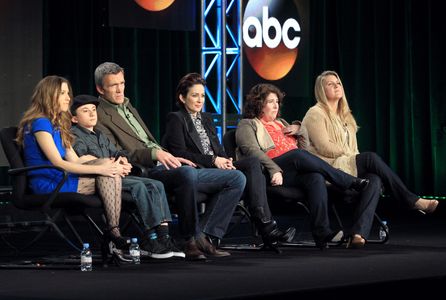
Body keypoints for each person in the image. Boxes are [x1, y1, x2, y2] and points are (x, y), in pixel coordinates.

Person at [93, 62, 246, 260]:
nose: (120, 88)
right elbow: (116, 153)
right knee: (187, 173)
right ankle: (190, 238)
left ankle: (205, 235)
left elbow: (150, 141)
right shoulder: (99, 115)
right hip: (146, 170)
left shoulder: (128, 106)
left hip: (166, 163)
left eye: (122, 83)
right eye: (113, 85)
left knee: (237, 178)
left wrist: (170, 155)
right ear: (100, 88)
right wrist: (156, 155)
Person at [163, 73, 296, 250]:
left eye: (202, 95)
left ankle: (265, 222)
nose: (200, 100)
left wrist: (225, 160)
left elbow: (218, 148)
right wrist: (213, 160)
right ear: (182, 97)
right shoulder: (176, 118)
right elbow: (178, 152)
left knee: (251, 163)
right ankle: (263, 228)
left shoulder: (206, 118)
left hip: (216, 166)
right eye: (195, 95)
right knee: (239, 177)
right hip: (196, 169)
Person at [236, 83, 373, 249]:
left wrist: (301, 131)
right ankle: (345, 180)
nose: (275, 105)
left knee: (315, 177)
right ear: (259, 104)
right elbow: (252, 152)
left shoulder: (282, 123)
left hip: (292, 171)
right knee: (297, 156)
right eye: (270, 101)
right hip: (268, 172)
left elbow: (306, 151)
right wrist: (274, 169)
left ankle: (322, 233)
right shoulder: (248, 124)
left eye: (277, 101)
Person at [16, 75, 129, 257]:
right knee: (108, 173)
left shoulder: (58, 125)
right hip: (49, 182)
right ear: (49, 95)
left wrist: (112, 164)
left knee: (110, 169)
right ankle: (113, 231)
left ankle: (112, 231)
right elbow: (59, 163)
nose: (68, 97)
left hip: (63, 177)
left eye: (68, 92)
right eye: (62, 93)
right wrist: (102, 169)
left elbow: (76, 160)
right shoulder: (40, 123)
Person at [301, 70, 438, 219]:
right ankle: (411, 200)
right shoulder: (315, 113)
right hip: (330, 168)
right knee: (370, 158)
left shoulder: (346, 116)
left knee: (374, 179)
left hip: (347, 164)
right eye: (330, 84)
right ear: (321, 90)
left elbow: (354, 148)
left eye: (338, 83)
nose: (336, 86)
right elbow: (324, 147)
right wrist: (353, 156)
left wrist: (353, 156)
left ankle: (358, 233)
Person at [70, 94, 185, 259]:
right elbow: (85, 159)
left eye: (94, 110)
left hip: (117, 173)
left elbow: (117, 152)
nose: (92, 114)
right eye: (85, 111)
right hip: (102, 179)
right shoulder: (74, 134)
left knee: (155, 184)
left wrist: (123, 160)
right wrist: (114, 165)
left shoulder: (100, 134)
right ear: (74, 118)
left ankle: (164, 236)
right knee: (138, 187)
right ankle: (150, 238)